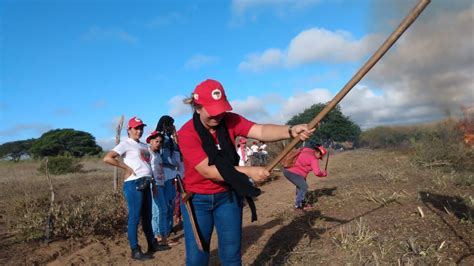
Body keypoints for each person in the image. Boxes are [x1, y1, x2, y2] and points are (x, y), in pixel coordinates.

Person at [177, 79, 314, 265]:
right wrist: (248, 171)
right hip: (197, 201)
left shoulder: (231, 120)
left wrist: (290, 130)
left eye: (221, 109)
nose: (218, 116)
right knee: (197, 258)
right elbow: (208, 171)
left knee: (232, 255)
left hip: (228, 196)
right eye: (212, 111)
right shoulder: (187, 133)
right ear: (198, 107)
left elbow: (261, 130)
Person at [103, 117, 162, 261]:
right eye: (136, 128)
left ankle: (152, 244)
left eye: (141, 128)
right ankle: (135, 250)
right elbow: (108, 158)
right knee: (134, 218)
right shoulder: (125, 144)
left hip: (147, 182)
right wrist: (126, 167)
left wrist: (153, 184)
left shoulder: (143, 145)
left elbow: (148, 166)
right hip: (134, 183)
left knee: (147, 217)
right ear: (129, 130)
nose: (139, 131)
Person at [155, 115, 180, 246]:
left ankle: (168, 230)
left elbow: (176, 154)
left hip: (170, 177)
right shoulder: (160, 139)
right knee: (163, 208)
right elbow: (162, 160)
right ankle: (159, 233)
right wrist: (172, 166)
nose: (173, 128)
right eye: (171, 125)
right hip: (162, 178)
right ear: (165, 125)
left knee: (170, 205)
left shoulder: (169, 139)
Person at [283, 141, 328, 211]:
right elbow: (317, 173)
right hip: (292, 172)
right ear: (319, 153)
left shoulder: (307, 150)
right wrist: (324, 174)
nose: (319, 158)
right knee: (304, 187)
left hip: (288, 170)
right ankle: (298, 206)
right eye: (320, 156)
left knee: (300, 186)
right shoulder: (314, 159)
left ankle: (302, 203)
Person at [146, 131, 173, 249]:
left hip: (161, 184)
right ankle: (158, 236)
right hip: (154, 185)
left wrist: (172, 166)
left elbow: (159, 166)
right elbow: (147, 170)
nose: (158, 144)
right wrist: (153, 184)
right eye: (156, 141)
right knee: (157, 210)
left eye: (160, 142)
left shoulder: (157, 154)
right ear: (150, 141)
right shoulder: (148, 153)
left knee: (163, 209)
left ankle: (163, 236)